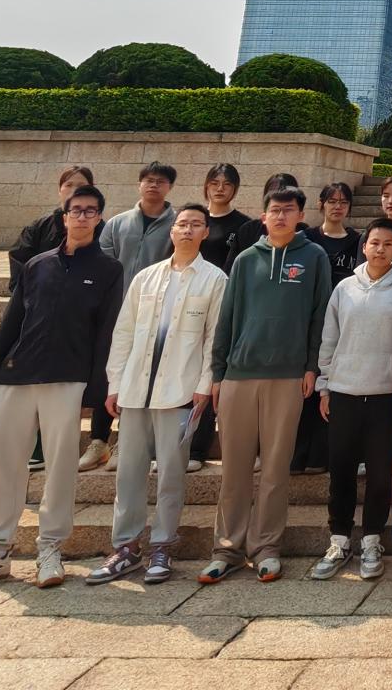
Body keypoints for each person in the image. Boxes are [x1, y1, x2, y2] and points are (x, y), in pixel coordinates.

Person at [0, 183, 123, 596]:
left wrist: (95, 391)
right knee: (5, 464)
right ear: (64, 216)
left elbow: (106, 333)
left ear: (99, 218)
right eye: (76, 210)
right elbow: (11, 323)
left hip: (68, 378)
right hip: (17, 375)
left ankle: (50, 548)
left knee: (61, 467)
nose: (82, 216)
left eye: (90, 211)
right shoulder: (37, 265)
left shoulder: (109, 270)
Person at [198, 186, 333, 585]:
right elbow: (227, 319)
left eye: (288, 210)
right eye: (274, 210)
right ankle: (226, 549)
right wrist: (218, 372)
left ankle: (266, 548)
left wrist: (312, 367)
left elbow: (320, 315)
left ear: (300, 216)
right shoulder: (245, 260)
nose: (280, 216)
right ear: (263, 216)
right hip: (239, 374)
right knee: (235, 469)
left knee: (275, 468)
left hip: (288, 375)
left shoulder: (314, 257)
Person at [86, 203, 226, 586]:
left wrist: (203, 386)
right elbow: (124, 332)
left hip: (179, 391)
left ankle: (162, 545)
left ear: (205, 233)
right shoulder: (146, 278)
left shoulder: (215, 280)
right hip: (135, 388)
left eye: (196, 225)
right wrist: (115, 383)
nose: (187, 230)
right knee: (128, 472)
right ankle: (126, 547)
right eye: (182, 224)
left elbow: (214, 337)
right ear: (172, 231)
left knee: (171, 474)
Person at [311, 216, 392, 582]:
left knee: (381, 474)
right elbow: (329, 338)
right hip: (344, 391)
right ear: (364, 246)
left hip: (385, 395)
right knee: (340, 471)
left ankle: (372, 539)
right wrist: (325, 384)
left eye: (388, 244)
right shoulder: (345, 289)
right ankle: (339, 540)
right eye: (374, 243)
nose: (380, 249)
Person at [86, 161, 181, 471]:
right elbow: (102, 265)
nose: (154, 185)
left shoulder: (176, 225)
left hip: (157, 313)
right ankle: (99, 441)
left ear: (169, 187)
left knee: (145, 375)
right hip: (116, 311)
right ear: (139, 184)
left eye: (160, 181)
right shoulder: (117, 223)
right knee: (109, 373)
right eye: (149, 180)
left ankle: (128, 443)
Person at [8, 164, 93, 472]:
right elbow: (20, 265)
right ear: (60, 190)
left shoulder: (98, 228)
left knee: (63, 388)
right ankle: (29, 446)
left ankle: (51, 448)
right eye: (68, 185)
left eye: (80, 186)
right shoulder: (40, 227)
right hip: (36, 318)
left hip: (75, 321)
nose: (73, 190)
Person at [293, 183, 363, 475]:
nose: (337, 206)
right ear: (321, 204)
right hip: (309, 321)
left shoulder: (358, 242)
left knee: (330, 387)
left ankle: (320, 455)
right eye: (332, 201)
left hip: (343, 323)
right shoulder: (305, 239)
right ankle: (297, 455)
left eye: (343, 202)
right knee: (305, 387)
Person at [190, 162, 250, 469]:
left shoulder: (244, 226)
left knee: (211, 375)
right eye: (214, 182)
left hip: (223, 307)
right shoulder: (193, 218)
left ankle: (197, 449)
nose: (220, 188)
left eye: (227, 184)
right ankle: (170, 446)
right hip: (189, 306)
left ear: (235, 189)